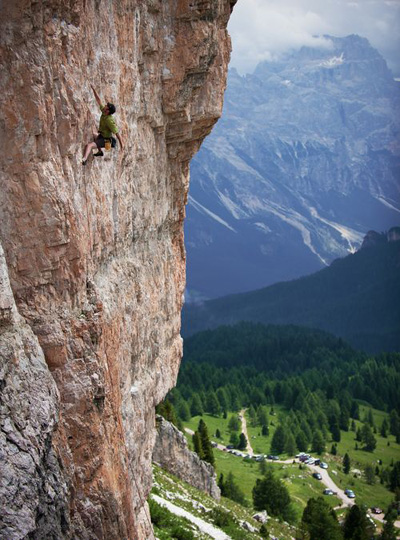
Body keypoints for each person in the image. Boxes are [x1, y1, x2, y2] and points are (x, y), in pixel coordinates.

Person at [82, 85, 124, 165]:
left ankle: (84, 159)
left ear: (108, 111)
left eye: (106, 106)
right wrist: (93, 89)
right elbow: (99, 100)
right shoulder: (104, 112)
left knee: (89, 145)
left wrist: (122, 146)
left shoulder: (109, 120)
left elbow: (117, 133)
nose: (104, 106)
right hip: (102, 136)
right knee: (94, 134)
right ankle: (100, 152)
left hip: (106, 141)